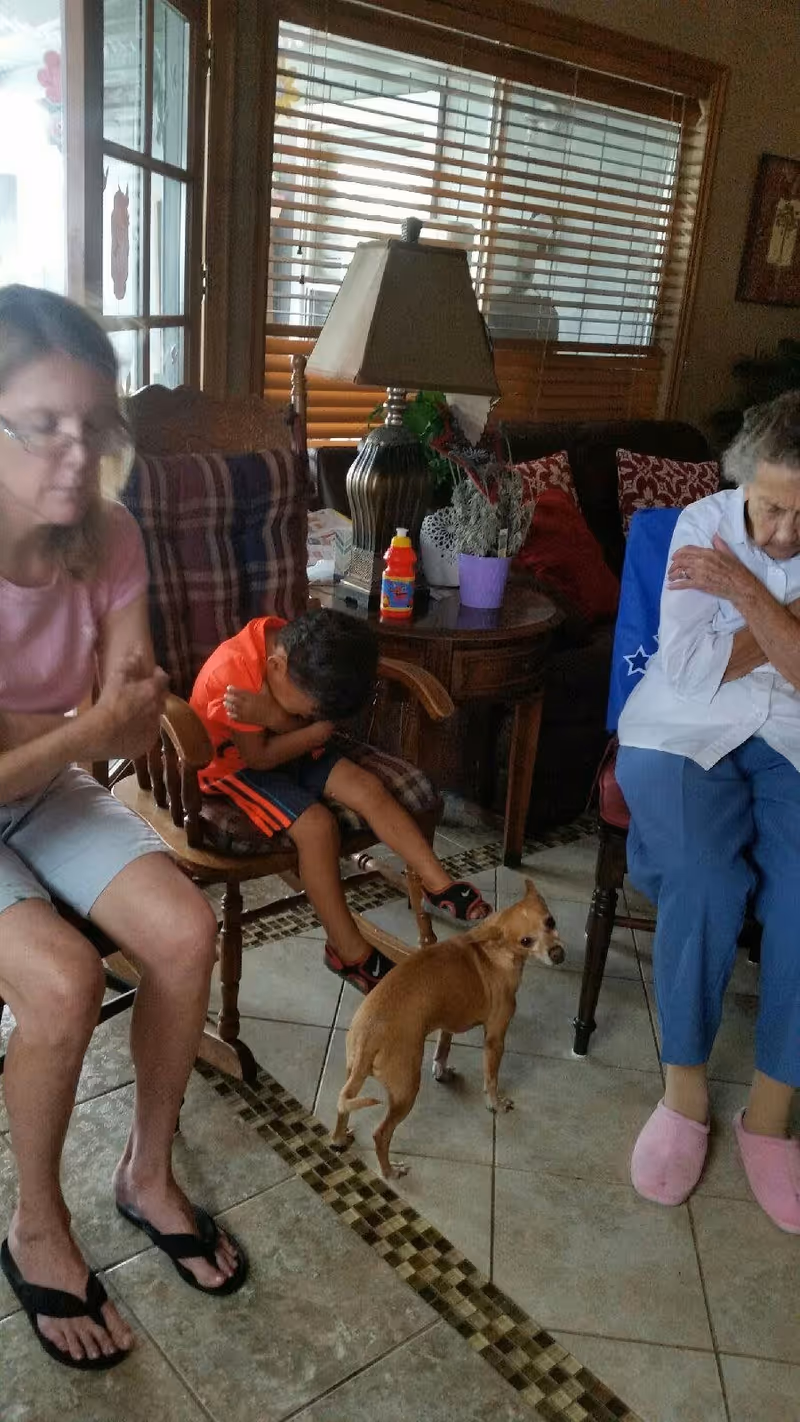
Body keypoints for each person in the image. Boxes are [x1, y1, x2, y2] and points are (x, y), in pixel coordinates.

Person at [0, 285, 247, 1373]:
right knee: (59, 982)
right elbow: (102, 716)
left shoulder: (112, 532)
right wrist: (79, 725)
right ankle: (35, 1222)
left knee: (184, 933)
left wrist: (54, 730)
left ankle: (144, 1172)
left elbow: (130, 709)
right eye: (39, 424)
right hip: (45, 772)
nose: (72, 455)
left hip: (42, 785)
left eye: (93, 429)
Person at [616, 390, 800, 1234]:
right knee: (704, 877)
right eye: (768, 508)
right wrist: (790, 621)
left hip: (793, 740)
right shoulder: (700, 524)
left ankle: (770, 1115)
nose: (781, 536)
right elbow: (691, 673)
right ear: (742, 484)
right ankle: (684, 1092)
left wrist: (745, 595)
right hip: (681, 733)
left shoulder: (736, 556)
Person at [190, 609, 491, 993]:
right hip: (234, 768)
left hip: (289, 747)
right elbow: (260, 757)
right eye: (309, 709)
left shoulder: (297, 648)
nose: (313, 715)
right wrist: (312, 731)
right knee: (318, 828)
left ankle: (437, 882)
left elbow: (310, 727)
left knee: (366, 788)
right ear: (275, 666)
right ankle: (349, 954)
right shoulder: (233, 679)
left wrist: (292, 721)